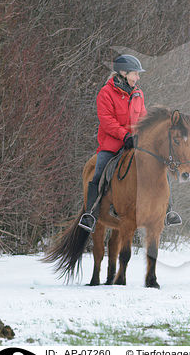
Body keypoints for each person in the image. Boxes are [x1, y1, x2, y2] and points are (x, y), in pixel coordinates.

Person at [78, 55, 182, 232]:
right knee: (99, 172)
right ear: (123, 73)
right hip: (112, 145)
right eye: (135, 74)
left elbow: (143, 119)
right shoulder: (106, 93)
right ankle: (90, 215)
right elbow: (106, 120)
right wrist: (125, 136)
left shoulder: (138, 94)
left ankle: (168, 212)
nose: (138, 78)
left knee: (161, 164)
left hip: (136, 143)